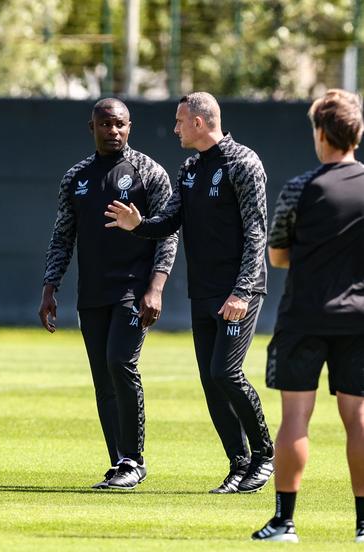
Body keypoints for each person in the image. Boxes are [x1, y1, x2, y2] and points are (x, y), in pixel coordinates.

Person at [105, 92, 275, 493]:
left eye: (180, 121)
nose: (175, 128)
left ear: (199, 122)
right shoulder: (190, 168)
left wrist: (243, 291)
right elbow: (170, 221)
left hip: (238, 292)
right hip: (204, 291)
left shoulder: (243, 162)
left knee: (226, 373)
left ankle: (264, 455)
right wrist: (138, 224)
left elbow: (256, 232)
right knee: (210, 380)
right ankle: (238, 464)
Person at [39, 98, 178, 490]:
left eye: (119, 124)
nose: (113, 131)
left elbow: (167, 232)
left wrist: (156, 287)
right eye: (105, 125)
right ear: (92, 127)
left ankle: (135, 460)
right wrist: (50, 288)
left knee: (121, 363)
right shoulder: (76, 177)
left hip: (134, 290)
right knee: (103, 377)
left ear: (129, 126)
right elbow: (63, 235)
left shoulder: (149, 172)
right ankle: (118, 462)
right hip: (93, 293)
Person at [251, 89, 364, 543]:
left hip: (304, 315)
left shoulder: (301, 187)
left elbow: (277, 256)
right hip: (359, 319)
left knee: (295, 417)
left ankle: (284, 522)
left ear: (321, 133)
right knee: (357, 418)